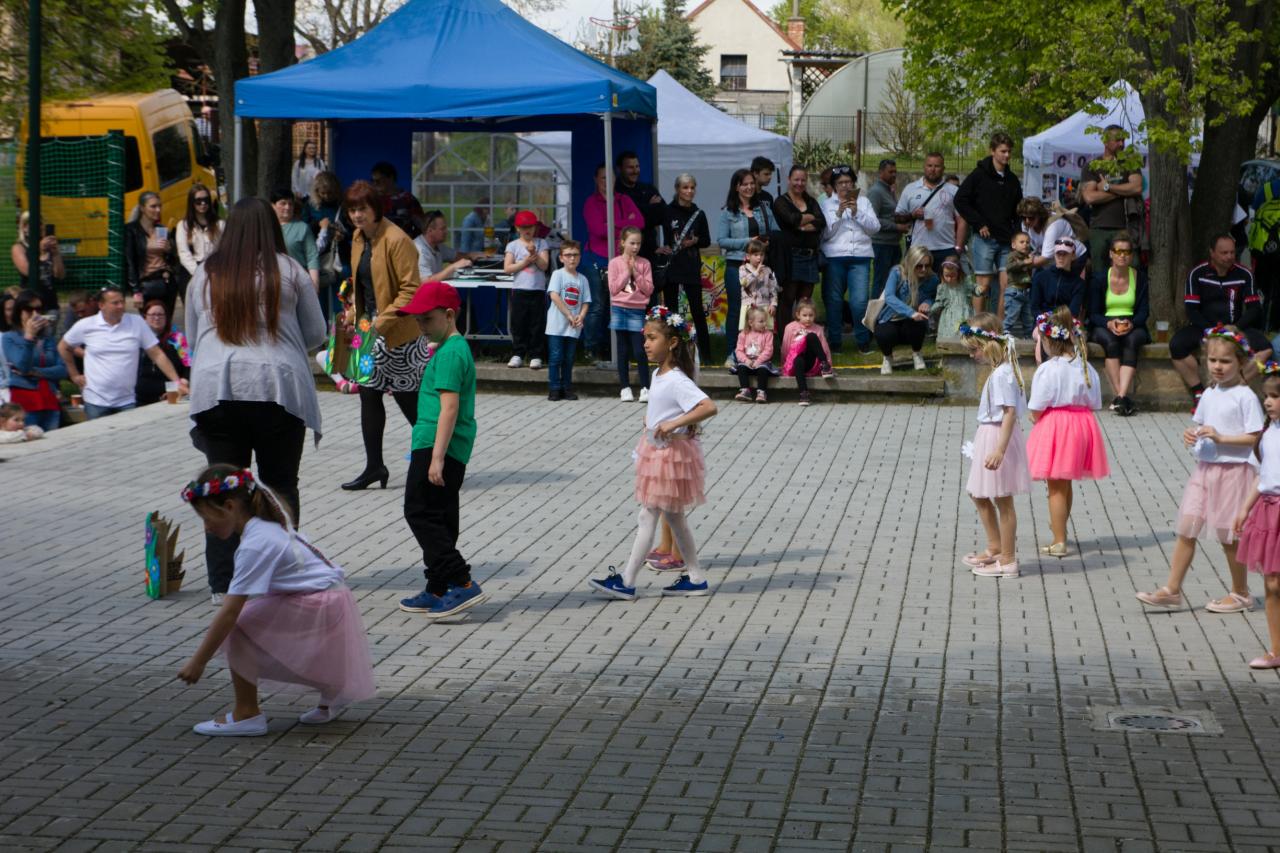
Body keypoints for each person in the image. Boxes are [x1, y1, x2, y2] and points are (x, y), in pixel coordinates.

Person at [185, 196, 327, 601]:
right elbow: (316, 334)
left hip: (216, 388)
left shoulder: (206, 273)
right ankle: (279, 575)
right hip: (278, 388)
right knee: (280, 485)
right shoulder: (290, 270)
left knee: (222, 487)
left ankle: (224, 583)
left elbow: (193, 337)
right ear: (271, 227)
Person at [175, 465, 375, 736]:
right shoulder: (265, 529)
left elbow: (230, 612)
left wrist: (198, 661)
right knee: (259, 632)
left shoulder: (255, 543)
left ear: (230, 506)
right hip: (330, 598)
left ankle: (247, 714)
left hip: (319, 601)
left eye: (206, 517)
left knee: (238, 627)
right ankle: (333, 692)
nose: (206, 527)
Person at [589, 305, 717, 600]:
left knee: (647, 516)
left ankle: (627, 580)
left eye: (652, 338)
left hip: (668, 457)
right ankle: (696, 577)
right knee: (675, 519)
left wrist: (673, 423)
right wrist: (652, 419)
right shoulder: (660, 373)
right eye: (644, 338)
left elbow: (708, 407)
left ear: (671, 343)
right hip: (658, 452)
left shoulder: (676, 379)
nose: (645, 343)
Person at [1136, 326, 1262, 614]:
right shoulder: (1209, 393)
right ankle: (1172, 590)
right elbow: (1201, 425)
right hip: (1205, 470)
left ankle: (1241, 592)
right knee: (1187, 527)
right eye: (1213, 360)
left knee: (1228, 535)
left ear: (1241, 361)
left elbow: (1255, 437)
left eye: (1225, 361)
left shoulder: (1245, 396)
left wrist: (1221, 438)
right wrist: (1191, 434)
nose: (1218, 366)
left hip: (1234, 473)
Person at [396, 281, 488, 619]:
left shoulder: (449, 353)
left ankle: (461, 581)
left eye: (427, 319)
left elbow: (449, 408)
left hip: (436, 443)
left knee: (418, 511)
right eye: (418, 320)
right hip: (446, 444)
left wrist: (436, 457)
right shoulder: (454, 348)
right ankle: (437, 586)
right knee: (441, 515)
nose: (421, 326)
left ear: (449, 315)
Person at [340, 180, 426, 491]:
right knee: (368, 393)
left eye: (362, 209)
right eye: (352, 210)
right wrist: (353, 315)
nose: (357, 215)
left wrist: (381, 321)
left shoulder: (397, 239)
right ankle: (374, 466)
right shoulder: (358, 237)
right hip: (368, 330)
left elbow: (411, 290)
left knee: (408, 399)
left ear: (376, 209)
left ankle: (439, 457)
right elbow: (362, 284)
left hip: (399, 333)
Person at [1025, 307, 1109, 558]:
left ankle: (1059, 540)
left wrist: (1035, 418)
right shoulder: (1085, 367)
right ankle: (1061, 530)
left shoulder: (1049, 369)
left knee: (1055, 487)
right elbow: (1095, 402)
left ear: (1048, 341)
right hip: (1081, 425)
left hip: (1057, 427)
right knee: (1066, 481)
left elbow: (1037, 404)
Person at [958, 314, 1030, 579]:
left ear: (988, 344)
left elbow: (1009, 412)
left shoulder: (1003, 374)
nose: (972, 356)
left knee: (1003, 499)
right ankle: (995, 547)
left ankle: (1008, 559)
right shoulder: (999, 371)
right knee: (977, 492)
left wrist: (1000, 449)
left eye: (974, 350)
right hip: (988, 434)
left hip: (998, 436)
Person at [1172, 234, 1272, 407]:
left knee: (1265, 349)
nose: (1229, 257)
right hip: (1204, 327)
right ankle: (1199, 391)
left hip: (1235, 327)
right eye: (1224, 253)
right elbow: (1191, 310)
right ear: (1212, 253)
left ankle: (1234, 387)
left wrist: (1235, 328)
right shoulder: (1197, 273)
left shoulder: (1244, 274)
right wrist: (1209, 330)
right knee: (1176, 345)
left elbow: (1255, 309)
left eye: (1232, 252)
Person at [58, 286, 185, 419]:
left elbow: (157, 354)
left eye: (122, 302)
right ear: (101, 305)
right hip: (95, 401)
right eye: (115, 303)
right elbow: (63, 347)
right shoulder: (86, 325)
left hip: (127, 401)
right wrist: (74, 374)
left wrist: (177, 382)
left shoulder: (136, 322)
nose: (121, 306)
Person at [1233, 364, 1280, 668]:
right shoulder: (1266, 434)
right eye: (1266, 396)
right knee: (1272, 583)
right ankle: (1276, 650)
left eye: (1275, 396)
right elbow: (1261, 476)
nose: (1268, 402)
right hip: (1268, 513)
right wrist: (1244, 508)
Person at [955, 133, 1023, 317]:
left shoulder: (1012, 179)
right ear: (992, 151)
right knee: (983, 285)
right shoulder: (978, 175)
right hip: (984, 239)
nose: (1007, 155)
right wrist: (978, 223)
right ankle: (978, 324)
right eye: (1003, 151)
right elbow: (960, 200)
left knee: (1006, 285)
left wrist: (1017, 235)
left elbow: (1018, 211)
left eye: (1009, 152)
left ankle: (999, 327)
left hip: (1006, 240)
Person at [583, 164, 644, 365]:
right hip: (596, 258)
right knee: (598, 306)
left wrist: (610, 223)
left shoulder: (624, 199)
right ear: (596, 180)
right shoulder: (591, 202)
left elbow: (640, 224)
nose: (607, 182)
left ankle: (616, 350)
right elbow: (598, 230)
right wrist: (624, 222)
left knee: (619, 305)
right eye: (603, 178)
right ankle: (591, 349)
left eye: (610, 178)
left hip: (620, 261)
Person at [717, 169, 778, 367]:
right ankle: (732, 353)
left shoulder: (763, 209)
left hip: (761, 267)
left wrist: (766, 241)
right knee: (737, 309)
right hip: (737, 265)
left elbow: (776, 231)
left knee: (761, 308)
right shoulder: (728, 212)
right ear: (736, 187)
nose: (749, 187)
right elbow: (722, 240)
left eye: (752, 183)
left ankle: (760, 352)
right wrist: (748, 241)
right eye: (745, 184)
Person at [820, 164, 879, 354]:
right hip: (834, 257)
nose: (845, 186)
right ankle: (835, 342)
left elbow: (875, 228)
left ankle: (862, 341)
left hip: (860, 257)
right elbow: (825, 235)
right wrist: (838, 214)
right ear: (834, 186)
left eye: (848, 182)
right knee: (834, 301)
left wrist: (856, 213)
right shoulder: (826, 204)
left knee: (859, 301)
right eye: (840, 183)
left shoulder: (864, 202)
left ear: (854, 183)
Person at [1089, 234, 1150, 416]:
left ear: (1132, 255)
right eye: (1118, 251)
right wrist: (1109, 323)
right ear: (1111, 254)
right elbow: (1093, 313)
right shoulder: (1099, 278)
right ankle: (1121, 398)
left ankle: (1120, 397)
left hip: (1132, 322)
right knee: (1111, 343)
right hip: (1105, 323)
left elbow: (1144, 312)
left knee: (1133, 342)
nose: (1122, 255)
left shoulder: (1140, 278)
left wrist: (1132, 323)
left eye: (1127, 252)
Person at [658, 174, 712, 356]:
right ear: (677, 189)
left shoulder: (699, 213)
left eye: (692, 187)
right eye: (685, 187)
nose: (689, 191)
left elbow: (706, 240)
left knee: (697, 310)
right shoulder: (667, 211)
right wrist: (658, 248)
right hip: (672, 266)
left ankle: (706, 354)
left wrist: (695, 241)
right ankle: (672, 351)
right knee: (672, 311)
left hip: (691, 266)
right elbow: (649, 225)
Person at [2, 289, 66, 431]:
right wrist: (29, 337)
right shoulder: (9, 337)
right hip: (25, 403)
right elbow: (22, 366)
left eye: (38, 309)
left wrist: (35, 372)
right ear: (19, 311)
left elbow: (62, 370)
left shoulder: (46, 338)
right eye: (29, 309)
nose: (35, 314)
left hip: (49, 399)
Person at [1079, 125, 1142, 270]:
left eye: (1123, 140)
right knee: (1099, 272)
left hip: (1125, 227)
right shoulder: (1092, 166)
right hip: (1099, 228)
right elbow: (1090, 197)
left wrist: (1108, 187)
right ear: (1105, 141)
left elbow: (1137, 188)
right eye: (1117, 140)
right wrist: (1123, 191)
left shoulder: (1130, 163)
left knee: (1132, 267)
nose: (1122, 144)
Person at [772, 166, 826, 327]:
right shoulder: (781, 201)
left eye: (803, 180)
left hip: (810, 257)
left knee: (805, 302)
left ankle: (802, 336)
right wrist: (809, 218)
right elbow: (791, 220)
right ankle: (785, 338)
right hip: (791, 257)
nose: (800, 183)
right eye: (796, 179)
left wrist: (801, 225)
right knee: (787, 300)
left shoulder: (811, 201)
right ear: (789, 180)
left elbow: (821, 222)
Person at [895, 152, 967, 273]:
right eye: (929, 166)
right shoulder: (910, 189)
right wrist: (912, 215)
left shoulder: (953, 191)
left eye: (937, 166)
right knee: (916, 284)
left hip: (946, 249)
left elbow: (962, 221)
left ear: (943, 168)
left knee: (945, 284)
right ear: (924, 167)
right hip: (918, 249)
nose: (933, 169)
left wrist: (958, 248)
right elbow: (897, 217)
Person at [874, 246, 938, 375]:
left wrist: (927, 303)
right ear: (911, 263)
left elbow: (933, 297)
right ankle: (887, 357)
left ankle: (917, 353)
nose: (923, 269)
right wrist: (911, 312)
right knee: (883, 334)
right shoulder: (897, 272)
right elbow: (889, 296)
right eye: (919, 266)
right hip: (890, 317)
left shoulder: (933, 279)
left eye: (927, 265)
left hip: (912, 321)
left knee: (920, 323)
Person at [609, 227, 654, 402]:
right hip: (619, 308)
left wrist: (635, 271)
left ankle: (645, 387)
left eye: (638, 243)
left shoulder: (645, 263)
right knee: (622, 349)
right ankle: (625, 387)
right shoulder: (614, 263)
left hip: (637, 309)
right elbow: (613, 288)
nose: (635, 247)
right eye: (632, 243)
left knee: (640, 350)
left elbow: (649, 289)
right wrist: (626, 271)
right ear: (622, 243)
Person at [503, 210, 550, 369]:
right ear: (517, 228)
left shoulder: (542, 243)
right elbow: (507, 268)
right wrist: (525, 262)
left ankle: (536, 355)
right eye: (523, 227)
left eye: (530, 226)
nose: (527, 230)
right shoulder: (513, 245)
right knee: (518, 323)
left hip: (537, 290)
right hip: (519, 290)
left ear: (535, 227)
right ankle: (518, 353)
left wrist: (534, 254)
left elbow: (544, 266)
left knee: (537, 324)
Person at [545, 239, 590, 401]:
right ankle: (554, 388)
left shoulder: (583, 279)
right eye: (568, 255)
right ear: (561, 258)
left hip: (573, 326)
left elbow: (586, 302)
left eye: (575, 255)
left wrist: (581, 316)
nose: (572, 258)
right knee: (555, 357)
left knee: (569, 358)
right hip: (556, 324)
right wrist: (569, 315)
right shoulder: (558, 274)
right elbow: (554, 296)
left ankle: (567, 387)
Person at [124, 191, 179, 318]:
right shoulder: (131, 230)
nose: (158, 210)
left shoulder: (161, 229)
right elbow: (130, 262)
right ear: (142, 208)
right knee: (150, 322)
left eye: (159, 206)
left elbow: (172, 260)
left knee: (166, 322)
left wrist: (169, 250)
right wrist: (136, 291)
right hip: (147, 284)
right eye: (153, 206)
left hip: (167, 282)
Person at [135, 299, 189, 406]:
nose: (156, 318)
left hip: (170, 396)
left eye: (160, 315)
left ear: (166, 317)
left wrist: (182, 383)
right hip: (139, 398)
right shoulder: (136, 339)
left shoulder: (177, 338)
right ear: (145, 317)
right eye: (152, 315)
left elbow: (189, 365)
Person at [614, 151, 666, 263]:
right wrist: (649, 207)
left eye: (637, 166)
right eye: (630, 167)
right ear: (619, 169)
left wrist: (637, 213)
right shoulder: (614, 191)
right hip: (623, 254)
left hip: (650, 251)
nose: (635, 171)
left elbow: (663, 215)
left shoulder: (648, 188)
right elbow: (622, 222)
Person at [781, 298, 833, 407]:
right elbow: (785, 348)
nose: (808, 319)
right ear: (798, 315)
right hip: (795, 363)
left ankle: (825, 366)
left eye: (811, 315)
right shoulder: (790, 328)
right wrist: (784, 366)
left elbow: (824, 348)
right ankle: (803, 393)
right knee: (798, 360)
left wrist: (829, 363)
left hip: (810, 362)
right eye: (804, 315)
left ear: (815, 315)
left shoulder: (818, 329)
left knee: (811, 336)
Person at [11, 211, 65, 311]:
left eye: (40, 223)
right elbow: (28, 271)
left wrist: (56, 254)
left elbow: (60, 275)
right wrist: (40, 252)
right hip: (30, 304)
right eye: (33, 224)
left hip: (50, 303)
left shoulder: (48, 246)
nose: (38, 227)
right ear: (24, 228)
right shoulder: (18, 248)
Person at [866, 159, 904, 299]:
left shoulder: (889, 190)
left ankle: (887, 309)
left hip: (893, 243)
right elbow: (873, 219)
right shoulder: (876, 192)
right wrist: (896, 226)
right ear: (881, 172)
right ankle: (874, 310)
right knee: (881, 281)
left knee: (892, 281)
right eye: (890, 172)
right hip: (882, 244)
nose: (894, 174)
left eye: (895, 172)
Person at [176, 183, 222, 294]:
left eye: (206, 200)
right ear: (191, 203)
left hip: (214, 271)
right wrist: (198, 273)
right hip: (191, 272)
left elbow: (223, 249)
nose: (203, 204)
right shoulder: (183, 225)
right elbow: (183, 253)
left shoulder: (219, 224)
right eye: (198, 201)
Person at [271, 188, 320, 291]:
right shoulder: (265, 228)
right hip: (272, 282)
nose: (287, 207)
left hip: (298, 283)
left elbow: (312, 257)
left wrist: (314, 285)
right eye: (283, 203)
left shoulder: (302, 228)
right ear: (273, 205)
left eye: (290, 204)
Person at [1029, 238, 1085, 321]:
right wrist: (1045, 321)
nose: (1061, 257)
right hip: (1042, 322)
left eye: (1065, 254)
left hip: (1066, 322)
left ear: (1073, 256)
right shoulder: (1040, 277)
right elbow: (1034, 308)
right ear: (1054, 255)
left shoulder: (1078, 283)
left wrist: (1059, 323)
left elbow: (1074, 312)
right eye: (1058, 253)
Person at [370, 161, 426, 239]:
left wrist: (412, 241)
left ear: (391, 178)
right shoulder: (372, 200)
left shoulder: (407, 199)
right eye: (373, 181)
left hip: (402, 243)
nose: (375, 184)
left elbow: (421, 225)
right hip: (378, 243)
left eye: (378, 181)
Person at [415, 210, 473, 283]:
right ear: (430, 231)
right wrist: (453, 267)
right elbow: (426, 282)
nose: (446, 231)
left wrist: (473, 255)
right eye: (442, 229)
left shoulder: (437, 245)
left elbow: (456, 256)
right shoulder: (420, 251)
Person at [734, 307, 778, 403]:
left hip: (762, 362)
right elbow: (739, 351)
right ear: (751, 323)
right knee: (741, 367)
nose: (764, 324)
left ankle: (762, 392)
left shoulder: (768, 334)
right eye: (761, 321)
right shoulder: (743, 334)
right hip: (748, 362)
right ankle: (745, 391)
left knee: (763, 370)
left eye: (765, 321)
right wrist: (746, 360)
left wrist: (758, 361)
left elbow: (768, 350)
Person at [929, 256, 974, 341]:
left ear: (959, 273)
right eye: (947, 276)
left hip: (964, 312)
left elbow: (974, 288)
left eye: (952, 275)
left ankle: (966, 343)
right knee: (949, 334)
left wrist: (980, 289)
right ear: (942, 274)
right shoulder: (942, 288)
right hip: (948, 315)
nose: (949, 279)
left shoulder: (965, 284)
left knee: (964, 333)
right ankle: (949, 344)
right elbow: (939, 302)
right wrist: (932, 309)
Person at [738, 239, 778, 330]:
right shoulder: (743, 269)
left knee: (765, 331)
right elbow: (744, 283)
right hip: (749, 306)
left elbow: (772, 288)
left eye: (761, 255)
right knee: (747, 332)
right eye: (755, 255)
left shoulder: (767, 270)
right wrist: (756, 272)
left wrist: (773, 304)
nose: (759, 258)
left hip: (764, 306)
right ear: (748, 256)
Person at [1002, 232, 1036, 338]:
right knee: (1011, 315)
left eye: (1027, 242)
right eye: (1021, 242)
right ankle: (1005, 333)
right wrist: (1024, 262)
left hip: (1025, 292)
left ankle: (1028, 336)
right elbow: (1009, 267)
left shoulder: (1028, 256)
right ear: (1013, 245)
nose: (1025, 244)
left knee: (1028, 318)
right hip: (1014, 291)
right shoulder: (1012, 255)